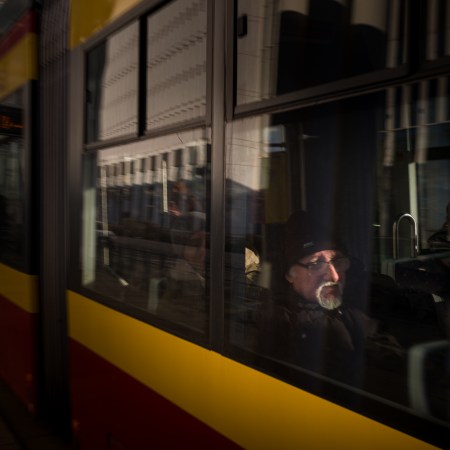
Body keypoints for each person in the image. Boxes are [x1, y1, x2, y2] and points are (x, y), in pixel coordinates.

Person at [258, 210, 402, 389]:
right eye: (316, 264)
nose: (334, 276)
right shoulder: (279, 323)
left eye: (337, 261)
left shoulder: (357, 305)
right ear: (290, 274)